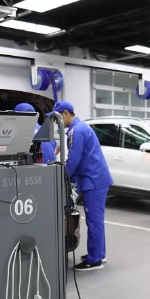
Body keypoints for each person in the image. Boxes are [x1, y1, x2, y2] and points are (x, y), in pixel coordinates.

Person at [53, 101, 113, 271]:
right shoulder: (79, 128)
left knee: (94, 221)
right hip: (95, 179)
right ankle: (99, 254)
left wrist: (62, 176)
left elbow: (74, 160)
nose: (57, 123)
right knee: (97, 220)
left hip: (93, 181)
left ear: (66, 113)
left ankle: (94, 261)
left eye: (57, 119)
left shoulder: (77, 131)